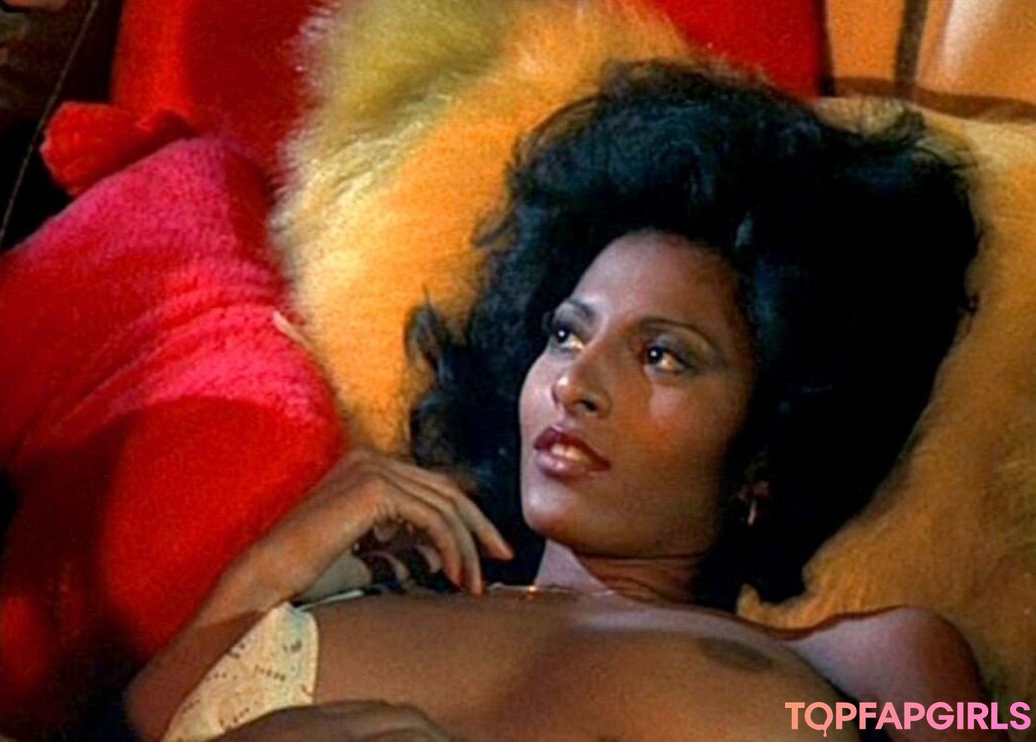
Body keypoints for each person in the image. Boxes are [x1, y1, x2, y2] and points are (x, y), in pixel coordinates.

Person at [123, 63, 1001, 741]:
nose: (575, 383)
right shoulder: (323, 604)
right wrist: (269, 568)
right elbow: (137, 727)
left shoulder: (875, 659)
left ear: (769, 448)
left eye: (661, 356)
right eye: (566, 335)